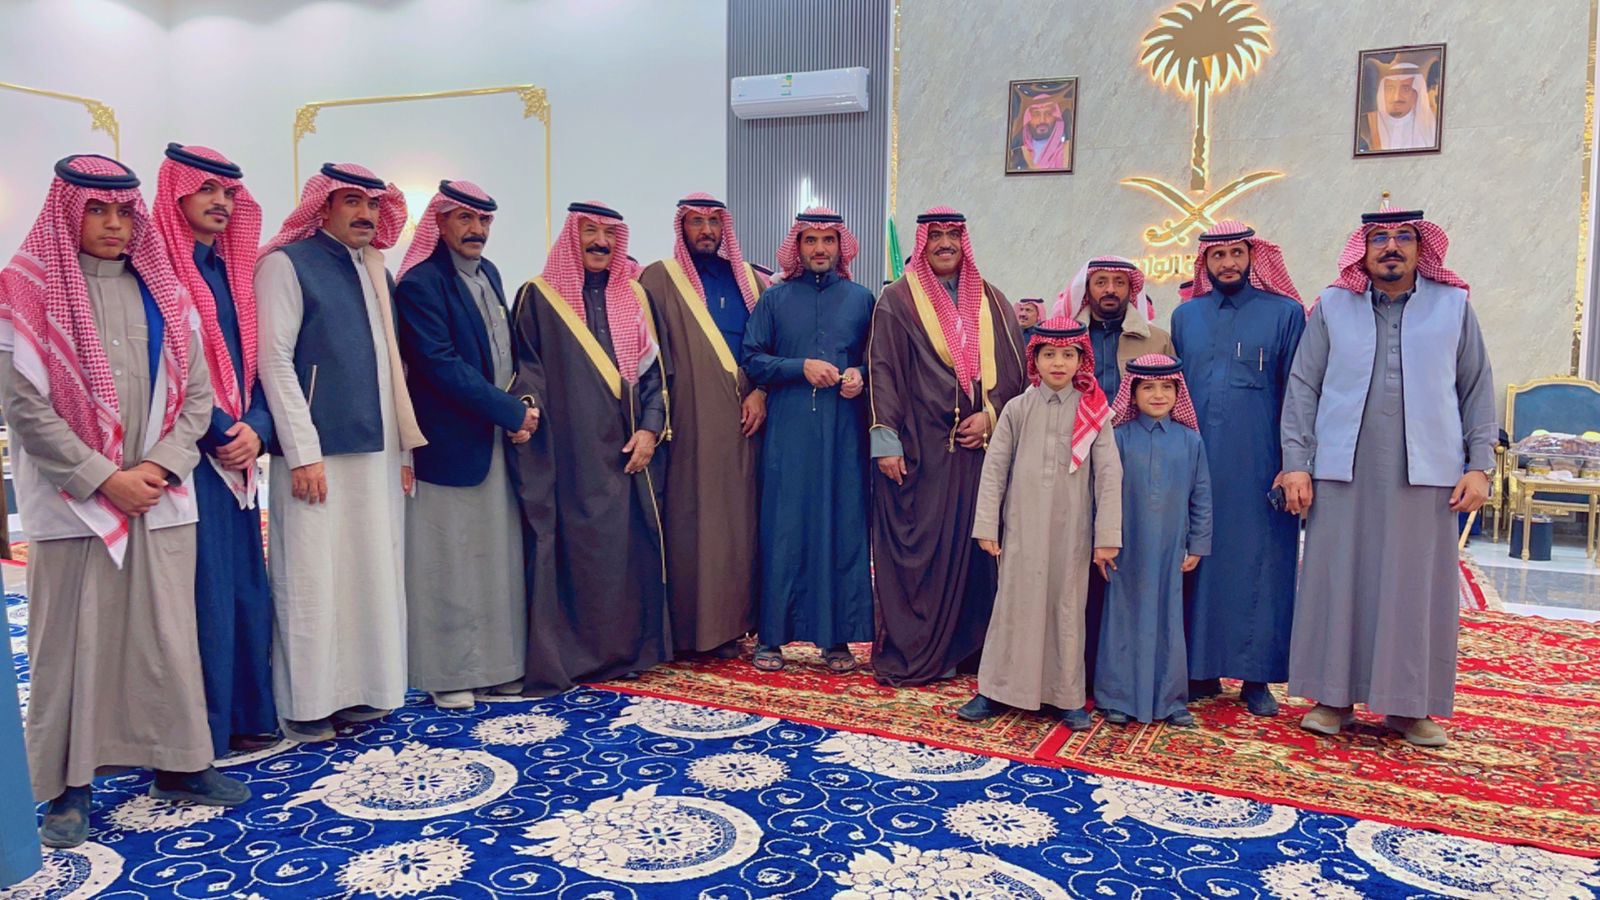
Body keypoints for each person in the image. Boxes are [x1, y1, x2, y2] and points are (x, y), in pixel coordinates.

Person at [0, 154, 248, 848]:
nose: (113, 224)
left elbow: (197, 396)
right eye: (96, 211)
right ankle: (67, 789)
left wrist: (158, 468)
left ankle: (179, 763)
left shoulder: (165, 291)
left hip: (159, 494)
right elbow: (24, 406)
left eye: (123, 212)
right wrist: (104, 478)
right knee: (71, 642)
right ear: (67, 213)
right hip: (75, 500)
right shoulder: (26, 291)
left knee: (166, 634)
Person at [1283, 205, 1494, 748]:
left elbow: (1476, 387)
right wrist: (1296, 463)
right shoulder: (1333, 306)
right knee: (1338, 580)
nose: (1391, 247)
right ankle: (1332, 698)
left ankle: (1409, 706)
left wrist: (1479, 466)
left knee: (1414, 589)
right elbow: (1303, 387)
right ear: (1364, 250)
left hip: (1427, 473)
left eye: (1403, 237)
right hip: (1342, 468)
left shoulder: (1453, 306)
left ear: (1422, 249)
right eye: (1378, 238)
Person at [255, 163, 423, 741]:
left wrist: (404, 452)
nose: (365, 214)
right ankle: (308, 703)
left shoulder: (375, 269)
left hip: (378, 454)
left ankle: (363, 690)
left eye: (372, 204)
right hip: (317, 454)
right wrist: (302, 451)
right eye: (352, 201)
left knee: (369, 572)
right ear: (322, 207)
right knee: (313, 577)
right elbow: (275, 361)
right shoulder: (287, 264)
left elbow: (393, 370)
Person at [510, 201, 671, 694]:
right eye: (590, 232)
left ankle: (629, 652)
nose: (601, 242)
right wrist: (526, 407)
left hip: (629, 449)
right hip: (571, 450)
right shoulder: (539, 296)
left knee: (627, 551)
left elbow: (655, 376)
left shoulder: (635, 297)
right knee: (579, 549)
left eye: (609, 234)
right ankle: (577, 657)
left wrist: (650, 430)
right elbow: (527, 369)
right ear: (571, 237)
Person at [152, 143, 278, 756]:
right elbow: (170, 370)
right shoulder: (155, 272)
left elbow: (258, 364)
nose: (221, 201)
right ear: (176, 194)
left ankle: (251, 714)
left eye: (229, 192)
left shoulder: (233, 273)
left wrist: (257, 426)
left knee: (245, 585)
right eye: (206, 189)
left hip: (238, 454)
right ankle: (205, 730)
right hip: (189, 457)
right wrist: (226, 431)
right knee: (203, 590)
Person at [868, 207, 1026, 685]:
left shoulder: (993, 301)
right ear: (922, 242)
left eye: (952, 235)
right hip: (919, 448)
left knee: (975, 549)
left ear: (964, 242)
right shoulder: (897, 300)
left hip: (977, 451)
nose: (944, 243)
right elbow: (882, 370)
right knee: (921, 549)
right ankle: (919, 650)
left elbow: (1016, 370)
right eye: (934, 235)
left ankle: (969, 649)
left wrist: (991, 416)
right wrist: (886, 441)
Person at [395, 180, 530, 709]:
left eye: (484, 221)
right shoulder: (421, 284)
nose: (476, 230)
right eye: (465, 219)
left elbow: (505, 353)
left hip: (495, 438)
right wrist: (509, 411)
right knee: (448, 558)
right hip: (450, 443)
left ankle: (497, 667)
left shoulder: (489, 274)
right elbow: (440, 365)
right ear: (440, 222)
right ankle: (448, 673)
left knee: (495, 555)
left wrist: (522, 406)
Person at [1170, 219, 1304, 717]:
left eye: (1236, 254)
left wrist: (1293, 464)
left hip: (1260, 465)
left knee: (1260, 566)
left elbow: (1298, 394)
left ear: (1252, 257)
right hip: (1196, 463)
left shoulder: (1285, 313)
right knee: (1197, 561)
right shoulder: (1186, 316)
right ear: (1204, 262)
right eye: (1218, 255)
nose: (1228, 263)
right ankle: (1200, 669)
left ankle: (1256, 676)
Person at [960, 317, 1121, 730]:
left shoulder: (1094, 412)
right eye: (1049, 354)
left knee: (1066, 608)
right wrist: (986, 526)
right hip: (1021, 527)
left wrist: (1106, 537)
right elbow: (995, 470)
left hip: (1072, 531)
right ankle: (996, 690)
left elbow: (1109, 475)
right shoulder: (1018, 408)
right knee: (1013, 604)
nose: (1058, 363)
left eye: (1068, 355)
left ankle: (1066, 697)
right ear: (1035, 359)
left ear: (1081, 360)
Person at [742, 208, 875, 674]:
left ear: (841, 246)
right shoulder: (774, 299)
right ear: (797, 247)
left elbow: (877, 359)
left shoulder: (861, 299)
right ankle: (771, 638)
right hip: (789, 432)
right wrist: (799, 367)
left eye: (828, 240)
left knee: (840, 526)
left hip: (843, 433)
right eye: (811, 240)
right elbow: (752, 358)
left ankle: (836, 639)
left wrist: (860, 374)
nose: (820, 249)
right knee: (784, 529)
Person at [638, 193, 766, 659]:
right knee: (696, 520)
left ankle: (735, 626)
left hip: (748, 416)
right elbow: (646, 357)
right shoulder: (658, 278)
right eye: (696, 221)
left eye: (714, 221)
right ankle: (692, 631)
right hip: (689, 419)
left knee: (741, 522)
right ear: (682, 226)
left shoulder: (750, 279)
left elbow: (770, 345)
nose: (707, 230)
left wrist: (762, 391)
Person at [1095, 354, 1212, 727]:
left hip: (1171, 547)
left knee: (1169, 619)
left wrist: (1198, 544)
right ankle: (1116, 697)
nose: (1158, 395)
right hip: (1125, 547)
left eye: (1166, 387)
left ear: (1179, 393)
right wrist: (1102, 541)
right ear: (1132, 394)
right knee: (1121, 617)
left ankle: (1170, 699)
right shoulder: (1118, 438)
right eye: (1148, 387)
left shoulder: (1191, 441)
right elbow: (1100, 492)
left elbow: (1201, 496)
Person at [1052, 256, 1175, 399]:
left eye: (1119, 283)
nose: (1110, 290)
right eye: (1101, 283)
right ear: (1087, 290)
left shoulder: (1158, 340)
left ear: (1130, 290)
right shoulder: (1067, 339)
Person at [1359, 58, 1438, 152]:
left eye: (1405, 89)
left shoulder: (1431, 129)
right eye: (1390, 88)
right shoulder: (1364, 127)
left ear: (1416, 94)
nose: (1396, 97)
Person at [1009, 91, 1071, 170]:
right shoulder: (1016, 154)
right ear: (1028, 118)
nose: (1042, 120)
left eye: (1048, 113)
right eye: (1036, 114)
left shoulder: (1066, 153)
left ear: (1056, 118)